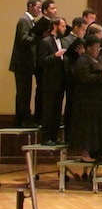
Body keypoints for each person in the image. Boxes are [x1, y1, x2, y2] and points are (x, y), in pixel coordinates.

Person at [10, 0, 41, 127]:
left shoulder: (30, 21)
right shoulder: (24, 20)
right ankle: (23, 120)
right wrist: (38, 35)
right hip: (22, 64)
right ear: (30, 6)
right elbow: (24, 39)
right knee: (23, 92)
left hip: (26, 64)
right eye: (38, 7)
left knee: (25, 92)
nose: (39, 10)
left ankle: (22, 119)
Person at [37, 17, 68, 145]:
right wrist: (55, 55)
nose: (65, 29)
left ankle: (54, 137)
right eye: (63, 26)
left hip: (60, 81)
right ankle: (46, 138)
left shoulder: (61, 41)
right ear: (55, 26)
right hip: (50, 82)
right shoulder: (45, 41)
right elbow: (41, 61)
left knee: (57, 111)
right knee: (48, 111)